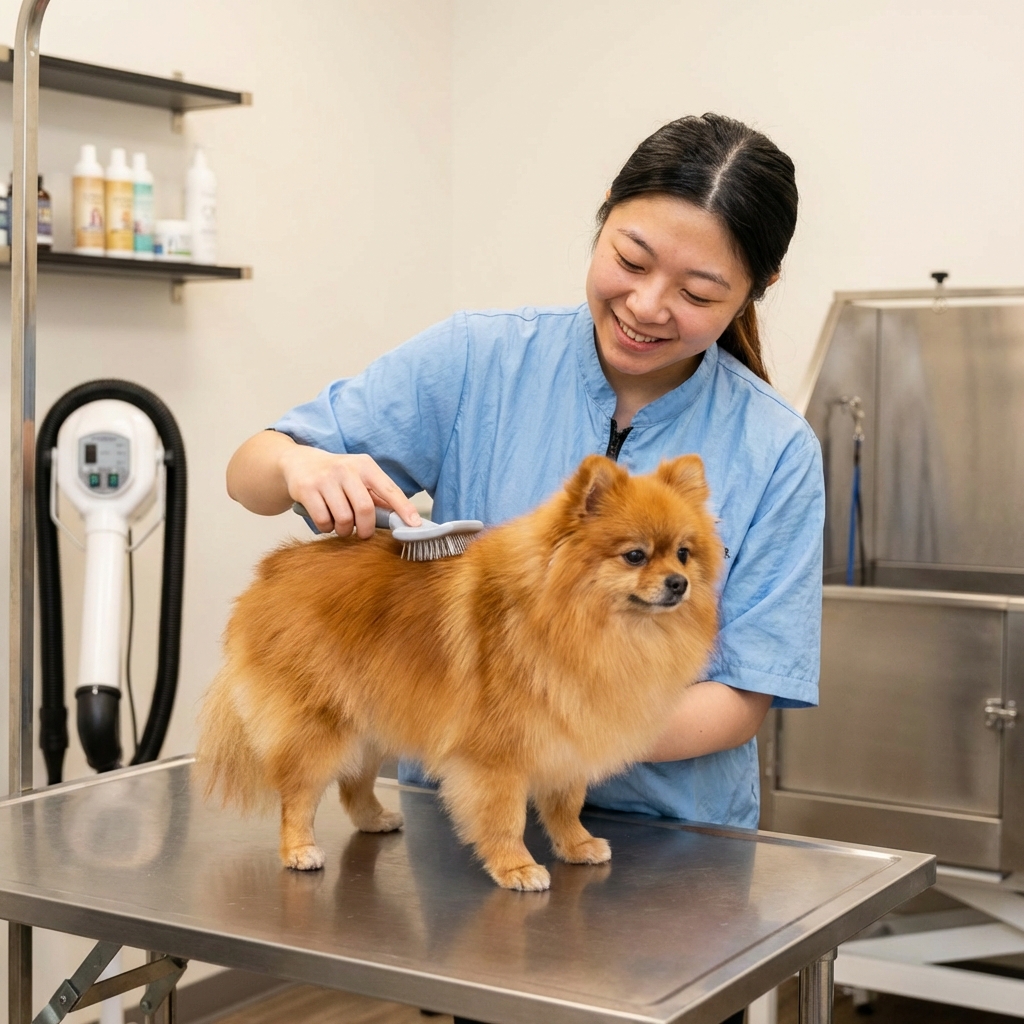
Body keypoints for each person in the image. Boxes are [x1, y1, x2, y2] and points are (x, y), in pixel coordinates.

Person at [228, 113, 823, 1024]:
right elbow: (250, 471)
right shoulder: (479, 358)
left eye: (700, 292)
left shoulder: (775, 447)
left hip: (672, 863)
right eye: (630, 259)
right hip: (472, 853)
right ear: (601, 223)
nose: (650, 305)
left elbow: (746, 693)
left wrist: (551, 723)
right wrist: (302, 465)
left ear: (756, 290)